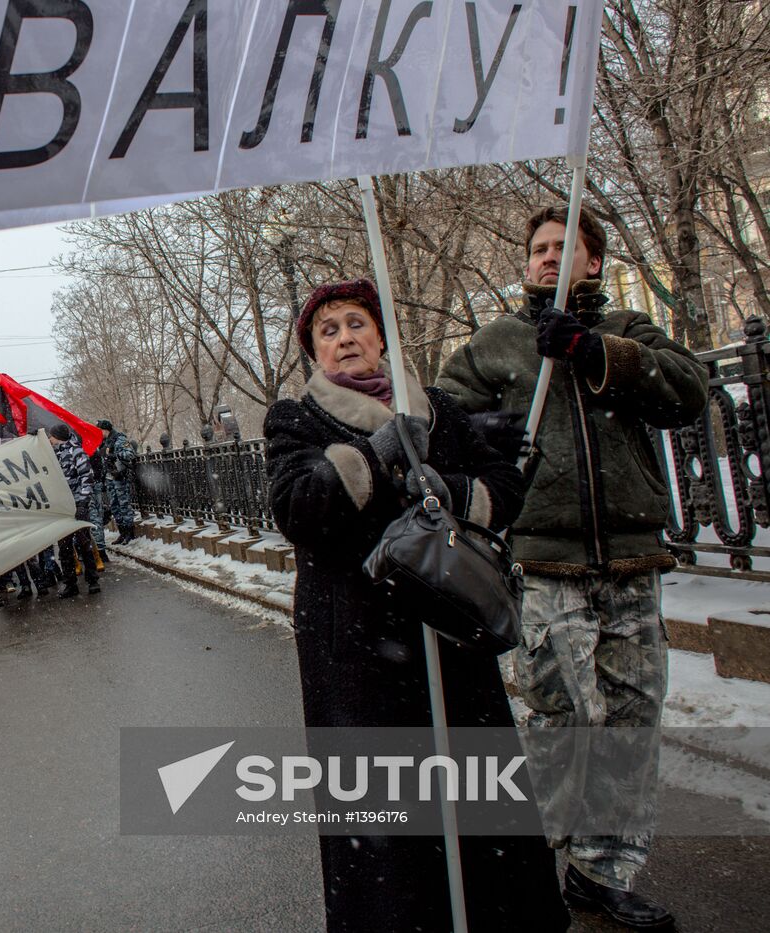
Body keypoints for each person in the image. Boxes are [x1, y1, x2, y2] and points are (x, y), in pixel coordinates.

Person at [264, 278, 567, 932]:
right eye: (329, 329)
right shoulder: (295, 420)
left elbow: (507, 487)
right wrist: (373, 454)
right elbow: (296, 509)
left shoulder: (442, 410)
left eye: (356, 323)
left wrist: (451, 488)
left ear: (381, 335)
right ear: (315, 350)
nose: (345, 337)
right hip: (357, 651)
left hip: (449, 636)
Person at [437, 206, 707, 930]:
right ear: (526, 263)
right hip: (545, 564)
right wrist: (484, 435)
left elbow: (688, 392)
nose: (549, 258)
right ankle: (524, 863)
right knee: (561, 718)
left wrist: (596, 352)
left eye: (566, 248)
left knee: (629, 721)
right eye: (538, 249)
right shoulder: (498, 343)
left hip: (631, 560)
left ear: (594, 262)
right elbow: (445, 428)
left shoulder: (628, 331)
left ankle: (601, 871)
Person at [49, 425, 100, 598]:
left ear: (58, 436)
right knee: (64, 549)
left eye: (51, 436)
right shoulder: (54, 454)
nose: (50, 440)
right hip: (62, 508)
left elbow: (87, 477)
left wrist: (83, 503)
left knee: (84, 544)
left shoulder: (76, 452)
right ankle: (70, 584)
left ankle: (93, 581)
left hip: (77, 506)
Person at [96, 420, 137, 544]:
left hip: (120, 477)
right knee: (114, 506)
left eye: (99, 430)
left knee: (124, 505)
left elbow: (130, 454)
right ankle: (122, 533)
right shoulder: (103, 442)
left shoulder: (119, 439)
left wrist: (114, 455)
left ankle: (129, 533)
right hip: (110, 477)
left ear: (105, 430)